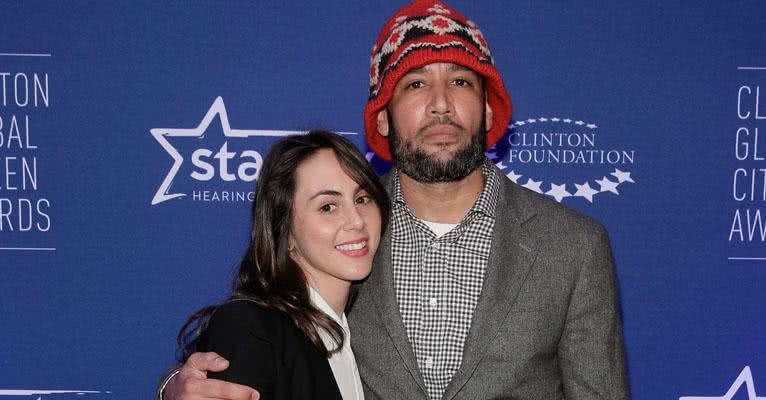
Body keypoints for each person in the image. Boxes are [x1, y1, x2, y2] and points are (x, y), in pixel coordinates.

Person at [160, 1, 629, 399]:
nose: (441, 103)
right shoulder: (348, 230)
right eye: (416, 84)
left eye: (461, 82)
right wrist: (178, 385)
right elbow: (267, 327)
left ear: (488, 109)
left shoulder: (574, 246)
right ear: (381, 119)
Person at [169, 130, 389, 400]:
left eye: (362, 199)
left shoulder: (354, 327)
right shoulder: (250, 328)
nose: (356, 220)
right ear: (285, 233)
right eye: (328, 207)